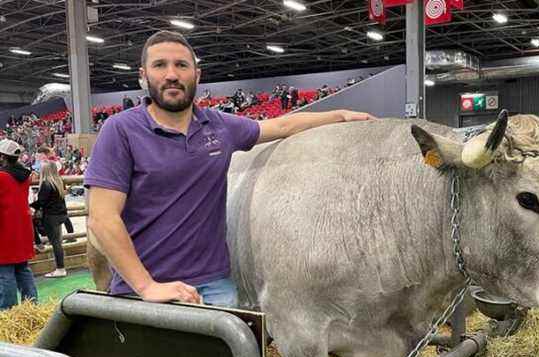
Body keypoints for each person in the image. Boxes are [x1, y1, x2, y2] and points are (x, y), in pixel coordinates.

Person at [84, 30, 374, 307]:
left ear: (196, 75)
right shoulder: (120, 130)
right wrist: (147, 286)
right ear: (143, 76)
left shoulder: (219, 126)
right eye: (160, 65)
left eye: (181, 65)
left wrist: (342, 115)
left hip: (214, 285)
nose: (171, 74)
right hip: (145, 290)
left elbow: (283, 125)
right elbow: (102, 218)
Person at [0, 139, 37, 310]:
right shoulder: (25, 176)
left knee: (5, 272)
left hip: (5, 229)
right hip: (22, 229)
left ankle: (8, 311)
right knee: (23, 268)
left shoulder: (2, 177)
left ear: (2, 157)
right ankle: (31, 305)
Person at [31, 161, 69, 277]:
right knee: (58, 242)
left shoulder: (46, 184)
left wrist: (29, 206)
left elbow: (41, 202)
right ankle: (60, 267)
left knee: (55, 243)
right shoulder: (59, 182)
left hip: (51, 216)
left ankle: (60, 268)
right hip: (61, 214)